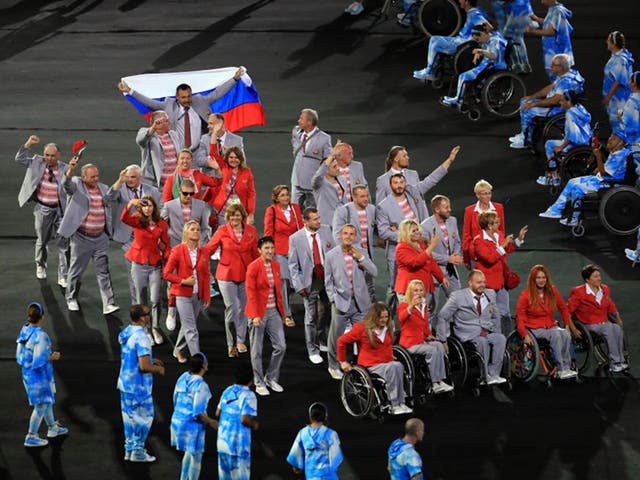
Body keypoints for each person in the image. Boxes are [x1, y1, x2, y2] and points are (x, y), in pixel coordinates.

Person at [377, 146, 459, 293]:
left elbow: (431, 180)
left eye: (402, 182)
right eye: (395, 183)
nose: (399, 185)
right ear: (390, 185)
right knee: (398, 288)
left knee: (422, 283)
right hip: (401, 247)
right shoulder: (384, 202)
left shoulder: (412, 190)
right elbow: (382, 227)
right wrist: (405, 235)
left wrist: (449, 160)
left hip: (420, 242)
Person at [118, 67, 245, 149]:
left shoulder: (200, 100)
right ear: (177, 97)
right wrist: (130, 91)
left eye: (189, 96)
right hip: (176, 153)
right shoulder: (168, 105)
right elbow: (149, 103)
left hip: (198, 151)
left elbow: (218, 93)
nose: (187, 100)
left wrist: (234, 79)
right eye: (183, 97)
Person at [57, 157, 119, 314]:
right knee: (76, 271)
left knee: (103, 272)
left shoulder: (103, 188)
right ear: (84, 177)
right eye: (93, 177)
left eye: (97, 175)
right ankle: (71, 298)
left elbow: (111, 197)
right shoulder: (77, 184)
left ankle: (108, 303)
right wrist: (70, 170)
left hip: (101, 238)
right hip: (81, 238)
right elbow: (66, 184)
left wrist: (120, 180)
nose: (96, 179)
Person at [539, 131, 632, 226]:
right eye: (610, 136)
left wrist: (598, 157)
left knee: (575, 186)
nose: (610, 139)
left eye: (614, 138)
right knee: (573, 184)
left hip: (609, 183)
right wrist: (600, 167)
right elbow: (608, 169)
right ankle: (563, 213)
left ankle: (562, 212)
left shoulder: (620, 155)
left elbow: (604, 172)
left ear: (620, 143)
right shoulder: (618, 152)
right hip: (602, 179)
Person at [338, 302, 412, 415]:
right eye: (381, 317)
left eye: (386, 317)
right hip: (370, 365)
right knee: (392, 367)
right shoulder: (361, 328)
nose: (384, 320)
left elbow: (387, 345)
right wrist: (343, 361)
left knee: (398, 365)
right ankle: (394, 404)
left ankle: (401, 402)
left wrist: (390, 355)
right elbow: (341, 341)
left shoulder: (388, 328)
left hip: (386, 363)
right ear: (374, 316)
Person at [205, 204, 258, 358]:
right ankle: (230, 343)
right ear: (228, 217)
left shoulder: (251, 231)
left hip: (245, 275)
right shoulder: (222, 230)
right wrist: (197, 261)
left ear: (243, 216)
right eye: (232, 215)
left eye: (238, 215)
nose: (235, 218)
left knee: (243, 309)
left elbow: (255, 254)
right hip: (226, 275)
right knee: (232, 308)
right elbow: (209, 249)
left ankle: (240, 340)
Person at [325, 224, 378, 380]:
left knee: (364, 335)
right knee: (336, 336)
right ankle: (333, 365)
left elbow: (374, 271)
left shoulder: (361, 252)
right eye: (345, 233)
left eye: (351, 234)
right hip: (341, 302)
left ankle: (362, 363)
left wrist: (360, 258)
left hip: (361, 303)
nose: (348, 236)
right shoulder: (331, 255)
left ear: (355, 237)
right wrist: (333, 299)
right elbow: (328, 281)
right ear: (340, 235)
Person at [15, 135, 69, 286]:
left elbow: (71, 187)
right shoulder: (37, 162)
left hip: (60, 210)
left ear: (59, 155)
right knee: (42, 240)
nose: (49, 158)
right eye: (47, 155)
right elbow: (19, 158)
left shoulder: (66, 168)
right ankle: (40, 264)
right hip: (43, 208)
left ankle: (63, 275)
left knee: (64, 244)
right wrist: (28, 144)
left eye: (53, 155)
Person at [437, 270, 507, 385]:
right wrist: (443, 339)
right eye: (479, 282)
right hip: (468, 333)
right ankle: (484, 376)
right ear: (470, 283)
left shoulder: (491, 294)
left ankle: (494, 374)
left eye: (484, 282)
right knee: (482, 342)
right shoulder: (457, 296)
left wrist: (497, 331)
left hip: (486, 331)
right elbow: (442, 316)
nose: (482, 285)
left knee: (500, 339)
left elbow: (496, 316)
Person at [245, 236, 295, 396]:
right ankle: (258, 382)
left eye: (272, 248)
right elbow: (250, 293)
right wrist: (254, 315)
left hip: (274, 312)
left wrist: (285, 315)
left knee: (281, 346)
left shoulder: (276, 265)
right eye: (266, 248)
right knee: (256, 350)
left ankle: (271, 378)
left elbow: (279, 293)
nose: (270, 251)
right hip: (258, 313)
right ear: (259, 250)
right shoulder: (253, 267)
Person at [117, 304, 165, 462]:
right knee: (145, 418)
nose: (149, 316)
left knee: (129, 418)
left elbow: (133, 354)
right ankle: (137, 451)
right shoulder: (143, 337)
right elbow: (144, 367)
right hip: (138, 386)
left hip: (125, 383)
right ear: (141, 318)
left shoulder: (126, 332)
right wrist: (158, 370)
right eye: (147, 314)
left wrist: (152, 359)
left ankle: (129, 449)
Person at [108, 164, 162, 304]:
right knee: (134, 274)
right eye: (127, 177)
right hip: (129, 238)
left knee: (153, 274)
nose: (129, 180)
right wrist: (119, 181)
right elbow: (109, 197)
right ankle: (137, 305)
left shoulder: (152, 191)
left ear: (140, 177)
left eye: (132, 177)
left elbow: (160, 211)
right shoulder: (121, 189)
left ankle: (153, 300)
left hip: (148, 238)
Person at [160, 179, 210, 330]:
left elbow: (205, 228)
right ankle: (171, 311)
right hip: (176, 248)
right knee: (173, 281)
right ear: (179, 192)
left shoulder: (201, 206)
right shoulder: (169, 206)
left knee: (194, 278)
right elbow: (161, 224)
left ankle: (189, 310)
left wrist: (203, 247)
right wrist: (164, 245)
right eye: (185, 194)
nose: (188, 196)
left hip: (194, 249)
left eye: (191, 194)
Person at [17, 302, 69, 448]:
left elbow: (19, 356)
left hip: (26, 374)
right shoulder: (41, 336)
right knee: (41, 406)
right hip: (38, 376)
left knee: (46, 402)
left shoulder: (24, 331)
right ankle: (31, 436)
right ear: (42, 317)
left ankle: (52, 427)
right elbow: (39, 360)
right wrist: (53, 356)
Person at [121, 196, 170, 345]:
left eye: (150, 206)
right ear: (140, 208)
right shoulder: (136, 219)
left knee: (155, 299)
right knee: (141, 299)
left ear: (154, 207)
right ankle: (145, 329)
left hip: (154, 264)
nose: (148, 208)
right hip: (139, 264)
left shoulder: (161, 223)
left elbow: (166, 245)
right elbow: (124, 219)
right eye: (145, 206)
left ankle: (155, 327)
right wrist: (130, 204)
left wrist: (168, 261)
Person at [289, 208, 335, 364]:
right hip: (310, 282)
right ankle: (312, 349)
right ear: (306, 221)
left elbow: (334, 252)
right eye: (315, 219)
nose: (319, 221)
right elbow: (293, 265)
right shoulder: (295, 239)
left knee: (327, 311)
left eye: (319, 218)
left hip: (327, 279)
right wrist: (298, 285)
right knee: (311, 316)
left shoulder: (326, 230)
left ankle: (322, 340)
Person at [516, 265, 579, 379]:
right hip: (534, 328)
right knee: (555, 334)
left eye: (544, 277)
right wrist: (524, 335)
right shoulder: (525, 295)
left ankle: (567, 367)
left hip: (550, 325)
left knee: (564, 333)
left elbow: (563, 308)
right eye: (538, 278)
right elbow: (520, 317)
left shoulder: (552, 290)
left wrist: (567, 324)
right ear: (533, 279)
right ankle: (560, 369)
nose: (541, 280)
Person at [509, 54, 584, 149]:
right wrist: (531, 97)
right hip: (556, 104)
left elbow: (554, 100)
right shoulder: (568, 74)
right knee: (525, 102)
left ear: (560, 67)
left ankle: (526, 140)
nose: (551, 66)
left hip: (558, 109)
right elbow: (550, 88)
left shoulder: (566, 82)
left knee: (526, 109)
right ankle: (524, 134)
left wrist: (533, 104)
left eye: (553, 65)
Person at [163, 221, 211, 362]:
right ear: (186, 233)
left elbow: (206, 274)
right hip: (182, 294)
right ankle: (198, 361)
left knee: (188, 325)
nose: (196, 231)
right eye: (192, 229)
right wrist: (183, 281)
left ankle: (178, 349)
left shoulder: (204, 252)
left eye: (198, 229)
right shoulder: (178, 250)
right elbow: (166, 273)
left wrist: (206, 295)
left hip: (197, 295)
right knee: (191, 329)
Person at [472, 211, 528, 332]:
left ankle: (506, 341)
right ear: (489, 225)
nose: (499, 224)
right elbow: (490, 258)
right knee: (492, 315)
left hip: (501, 282)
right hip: (488, 284)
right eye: (496, 222)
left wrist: (518, 239)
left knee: (505, 314)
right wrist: (503, 245)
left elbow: (508, 249)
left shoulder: (499, 235)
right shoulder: (478, 240)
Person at [568, 264, 629, 373]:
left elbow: (610, 305)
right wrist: (573, 328)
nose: (599, 278)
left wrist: (617, 317)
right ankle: (615, 362)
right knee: (609, 329)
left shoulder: (604, 289)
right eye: (595, 276)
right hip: (588, 324)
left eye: (599, 276)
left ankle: (621, 360)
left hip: (604, 322)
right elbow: (568, 311)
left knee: (617, 328)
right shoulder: (579, 292)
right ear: (587, 279)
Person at [398, 280, 454, 394]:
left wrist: (428, 335)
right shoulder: (404, 306)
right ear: (410, 292)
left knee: (438, 345)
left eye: (421, 290)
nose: (418, 293)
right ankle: (434, 383)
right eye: (415, 290)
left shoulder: (423, 305)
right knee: (432, 350)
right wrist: (411, 306)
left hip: (421, 340)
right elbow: (401, 318)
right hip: (410, 344)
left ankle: (440, 380)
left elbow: (423, 324)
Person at [413, 0, 489, 82]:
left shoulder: (474, 13)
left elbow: (488, 27)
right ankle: (431, 70)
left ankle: (430, 71)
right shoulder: (475, 10)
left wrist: (474, 38)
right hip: (460, 40)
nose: (459, 1)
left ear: (467, 2)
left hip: (462, 43)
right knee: (435, 41)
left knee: (435, 41)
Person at [170, 352, 218, 480]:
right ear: (204, 366)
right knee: (196, 458)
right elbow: (198, 412)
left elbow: (174, 397)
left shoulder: (183, 376)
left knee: (188, 453)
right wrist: (211, 422)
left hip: (177, 420)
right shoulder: (201, 385)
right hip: (191, 426)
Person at [264, 185, 304, 327]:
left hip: (295, 250)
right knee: (285, 282)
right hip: (279, 251)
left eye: (287, 194)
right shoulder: (271, 211)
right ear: (276, 198)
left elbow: (301, 228)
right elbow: (268, 232)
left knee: (296, 283)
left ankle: (280, 298)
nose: (286, 197)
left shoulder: (295, 208)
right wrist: (268, 252)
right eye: (282, 195)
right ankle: (287, 314)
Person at [441, 24, 508, 107]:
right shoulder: (490, 38)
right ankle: (463, 95)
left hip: (494, 66)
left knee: (463, 76)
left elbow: (494, 56)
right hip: (486, 65)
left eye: (478, 39)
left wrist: (480, 51)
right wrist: (479, 53)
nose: (478, 42)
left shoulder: (494, 40)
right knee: (465, 72)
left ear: (483, 34)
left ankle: (458, 100)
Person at [537, 90, 592, 187]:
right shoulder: (579, 108)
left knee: (549, 145)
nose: (560, 102)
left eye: (562, 101)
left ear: (569, 102)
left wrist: (561, 147)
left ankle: (554, 178)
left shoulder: (570, 114)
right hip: (586, 140)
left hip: (577, 145)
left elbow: (572, 136)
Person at [332, 185, 377, 301]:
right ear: (354, 197)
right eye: (362, 196)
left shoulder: (371, 209)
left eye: (367, 196)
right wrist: (345, 253)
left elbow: (377, 227)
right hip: (350, 254)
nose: (366, 199)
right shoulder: (344, 211)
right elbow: (337, 235)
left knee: (369, 286)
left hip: (367, 255)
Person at [216, 363, 260, 480]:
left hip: (222, 443)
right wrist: (254, 424)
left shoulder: (228, 390)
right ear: (251, 379)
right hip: (238, 446)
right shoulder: (249, 395)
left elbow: (217, 413)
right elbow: (244, 419)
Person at [375, 145, 459, 204]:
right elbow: (380, 207)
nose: (408, 157)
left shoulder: (413, 174)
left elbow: (430, 180)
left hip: (417, 224)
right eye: (404, 156)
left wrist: (449, 160)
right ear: (396, 159)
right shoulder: (382, 180)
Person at [394, 220, 447, 314]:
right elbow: (415, 262)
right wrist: (432, 246)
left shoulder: (421, 244)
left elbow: (431, 262)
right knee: (413, 319)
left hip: (424, 287)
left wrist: (441, 277)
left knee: (425, 317)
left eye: (417, 229)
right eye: (413, 231)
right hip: (409, 290)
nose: (417, 232)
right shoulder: (401, 248)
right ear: (406, 233)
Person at [286, 402, 344, 480]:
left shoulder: (303, 433)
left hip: (311, 476)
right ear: (325, 417)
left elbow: (296, 454)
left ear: (310, 417)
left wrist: (298, 466)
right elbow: (336, 457)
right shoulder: (331, 434)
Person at [421, 195, 463, 299]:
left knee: (457, 300)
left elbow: (457, 241)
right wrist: (448, 259)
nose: (450, 210)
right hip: (433, 272)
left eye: (449, 206)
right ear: (437, 209)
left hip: (451, 270)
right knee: (431, 307)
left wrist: (456, 254)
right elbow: (426, 253)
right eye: (446, 207)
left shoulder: (452, 221)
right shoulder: (425, 226)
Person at [291, 108, 333, 209]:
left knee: (312, 213)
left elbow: (328, 160)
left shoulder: (324, 138)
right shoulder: (296, 132)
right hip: (296, 181)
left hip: (312, 184)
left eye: (301, 119)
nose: (298, 120)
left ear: (309, 122)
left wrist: (320, 178)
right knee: (294, 213)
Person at [204, 146, 256, 226]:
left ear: (241, 159)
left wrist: (251, 213)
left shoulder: (247, 172)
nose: (234, 160)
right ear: (227, 158)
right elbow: (213, 152)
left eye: (236, 157)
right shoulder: (223, 167)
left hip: (239, 213)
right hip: (222, 211)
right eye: (231, 157)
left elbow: (251, 195)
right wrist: (214, 134)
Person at [462, 179, 505, 268]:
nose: (488, 196)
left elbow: (501, 231)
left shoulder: (498, 208)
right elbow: (466, 235)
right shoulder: (469, 211)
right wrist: (466, 258)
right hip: (477, 255)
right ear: (478, 195)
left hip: (495, 252)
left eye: (489, 193)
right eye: (485, 194)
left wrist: (502, 254)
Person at [526, 0, 573, 81]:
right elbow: (549, 22)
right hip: (554, 53)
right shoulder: (553, 9)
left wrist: (532, 31)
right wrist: (537, 19)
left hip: (557, 53)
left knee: (558, 82)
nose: (541, 2)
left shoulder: (557, 11)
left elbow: (551, 32)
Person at [136, 110, 183, 189]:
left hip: (174, 183)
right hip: (154, 184)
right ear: (157, 123)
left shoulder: (174, 134)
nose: (169, 122)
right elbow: (140, 140)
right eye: (166, 120)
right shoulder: (148, 135)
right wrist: (153, 128)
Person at [602, 31, 634, 131]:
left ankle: (626, 147)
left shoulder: (620, 60)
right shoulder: (617, 57)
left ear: (613, 43)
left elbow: (619, 81)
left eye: (608, 40)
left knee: (621, 129)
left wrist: (608, 96)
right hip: (615, 101)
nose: (606, 42)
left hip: (620, 101)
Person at [312, 154, 348, 226]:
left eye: (337, 165)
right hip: (326, 222)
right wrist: (332, 154)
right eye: (334, 167)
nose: (338, 168)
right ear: (326, 170)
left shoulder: (342, 179)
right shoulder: (319, 183)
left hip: (342, 220)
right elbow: (319, 174)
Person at [500, 0, 534, 73]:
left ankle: (517, 65)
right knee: (518, 38)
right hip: (521, 12)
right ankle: (525, 64)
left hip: (518, 12)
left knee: (507, 37)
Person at [621, 72, 640, 146]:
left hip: (635, 140)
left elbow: (629, 122)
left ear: (634, 84)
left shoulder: (632, 101)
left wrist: (621, 117)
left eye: (630, 80)